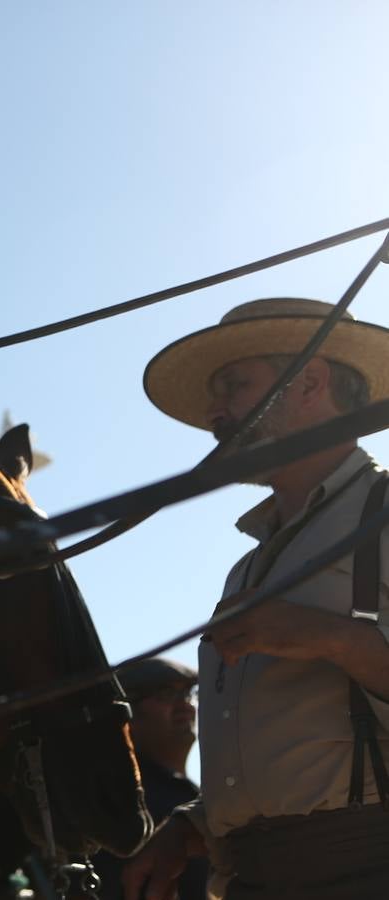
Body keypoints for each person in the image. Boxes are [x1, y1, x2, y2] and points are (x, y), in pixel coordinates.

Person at [123, 298, 389, 900]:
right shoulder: (248, 567)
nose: (215, 412)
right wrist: (193, 825)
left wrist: (334, 639)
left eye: (234, 387)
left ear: (311, 381)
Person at [92, 657, 207, 900]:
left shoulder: (195, 798)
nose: (186, 705)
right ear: (125, 712)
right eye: (166, 693)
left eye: (188, 693)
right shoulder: (124, 801)